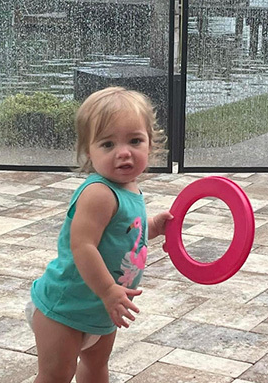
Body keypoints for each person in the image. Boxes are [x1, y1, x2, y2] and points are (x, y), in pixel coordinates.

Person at [25, 86, 173, 383]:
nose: (124, 153)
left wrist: (153, 226)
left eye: (134, 140)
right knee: (56, 376)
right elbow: (82, 245)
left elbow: (125, 230)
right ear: (88, 152)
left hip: (101, 310)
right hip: (65, 307)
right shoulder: (98, 193)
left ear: (150, 144)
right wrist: (108, 290)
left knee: (95, 369)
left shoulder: (129, 188)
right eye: (107, 144)